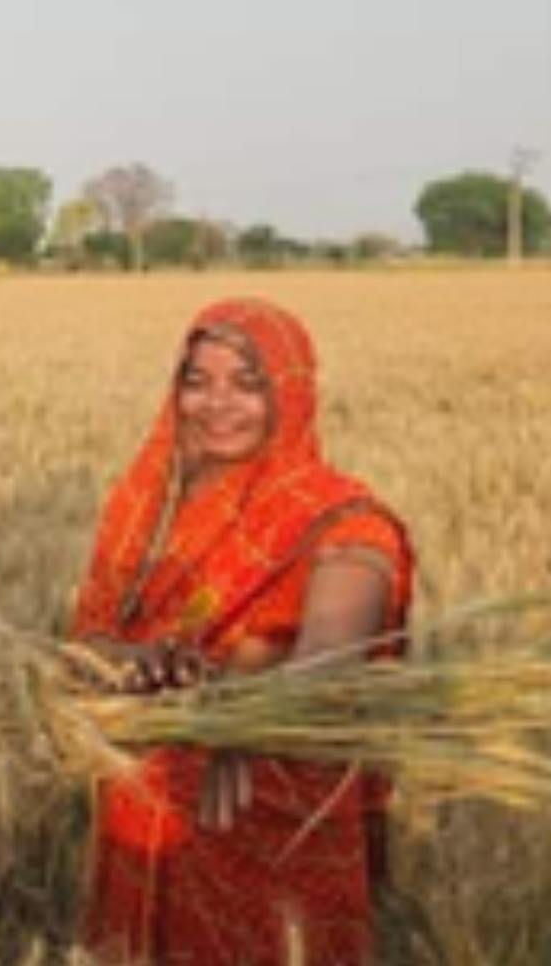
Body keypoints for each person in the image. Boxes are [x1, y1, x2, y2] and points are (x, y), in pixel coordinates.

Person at [71, 298, 414, 965]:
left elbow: (328, 662)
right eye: (197, 381)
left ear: (292, 392)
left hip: (273, 830)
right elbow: (85, 644)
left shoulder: (344, 521)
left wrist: (246, 716)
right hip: (145, 816)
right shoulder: (146, 510)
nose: (216, 403)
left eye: (247, 383)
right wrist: (132, 666)